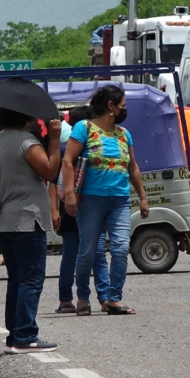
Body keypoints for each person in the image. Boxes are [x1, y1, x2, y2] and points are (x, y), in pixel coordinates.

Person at [0, 104, 62, 354]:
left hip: (3, 222)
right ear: (25, 117)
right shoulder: (27, 143)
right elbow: (50, 170)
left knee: (16, 278)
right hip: (27, 219)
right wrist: (54, 139)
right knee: (31, 278)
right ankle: (25, 336)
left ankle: (15, 335)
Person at [62, 85, 150, 316]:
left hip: (120, 200)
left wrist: (142, 197)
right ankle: (82, 296)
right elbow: (68, 161)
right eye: (123, 105)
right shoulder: (84, 128)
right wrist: (69, 194)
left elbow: (133, 168)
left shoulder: (124, 134)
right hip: (91, 200)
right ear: (110, 106)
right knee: (89, 252)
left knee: (121, 248)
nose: (125, 109)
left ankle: (113, 298)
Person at [50, 106, 110, 315]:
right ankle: (101, 298)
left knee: (77, 255)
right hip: (81, 209)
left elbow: (51, 183)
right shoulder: (76, 150)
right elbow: (53, 181)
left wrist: (54, 210)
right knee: (89, 255)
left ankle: (71, 300)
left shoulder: (68, 148)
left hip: (77, 209)